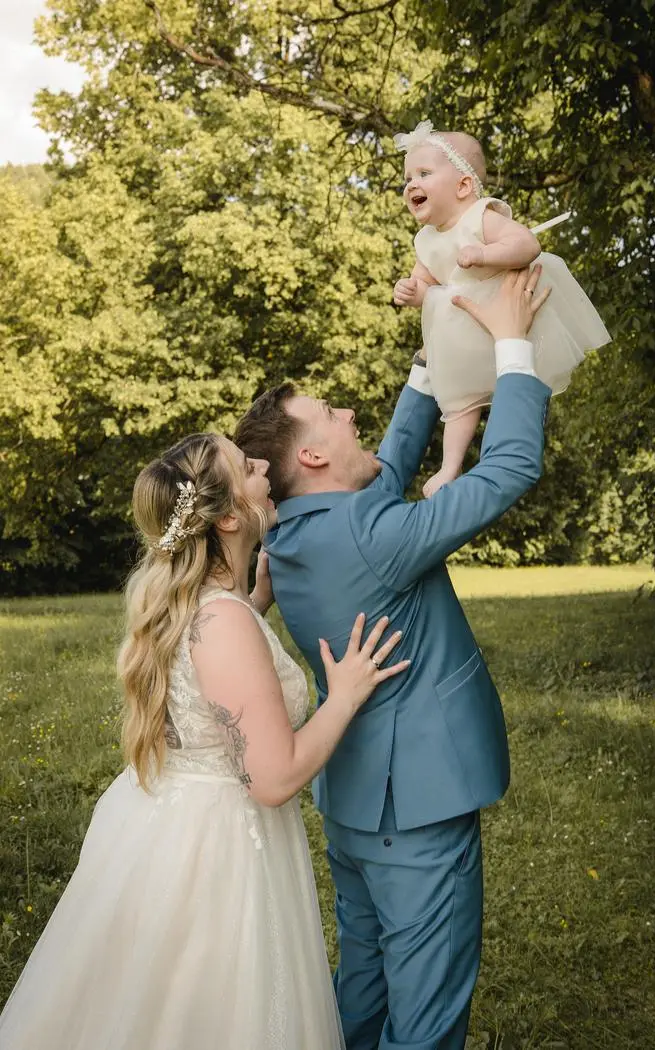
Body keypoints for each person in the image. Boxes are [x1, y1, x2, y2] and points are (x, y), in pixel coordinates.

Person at [0, 432, 410, 1050]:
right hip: (220, 848)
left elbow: (217, 667)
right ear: (227, 516)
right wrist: (346, 694)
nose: (265, 467)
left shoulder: (205, 607)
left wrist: (256, 602)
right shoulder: (224, 622)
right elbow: (274, 778)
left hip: (166, 817)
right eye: (248, 467)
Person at [235, 265, 552, 1050]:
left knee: (364, 991)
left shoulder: (299, 533)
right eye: (332, 414)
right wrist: (513, 344)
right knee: (426, 1020)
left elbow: (387, 461)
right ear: (309, 459)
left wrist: (432, 347)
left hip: (355, 809)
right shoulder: (371, 538)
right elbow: (510, 469)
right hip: (416, 812)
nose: (350, 414)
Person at [393, 119, 610, 496]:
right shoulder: (425, 240)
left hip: (509, 313)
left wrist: (484, 253)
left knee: (523, 380)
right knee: (458, 404)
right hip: (461, 334)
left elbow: (527, 244)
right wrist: (413, 291)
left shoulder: (480, 217)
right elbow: (426, 280)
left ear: (463, 186)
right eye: (407, 178)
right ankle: (449, 468)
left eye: (424, 173)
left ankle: (517, 445)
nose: (411, 184)